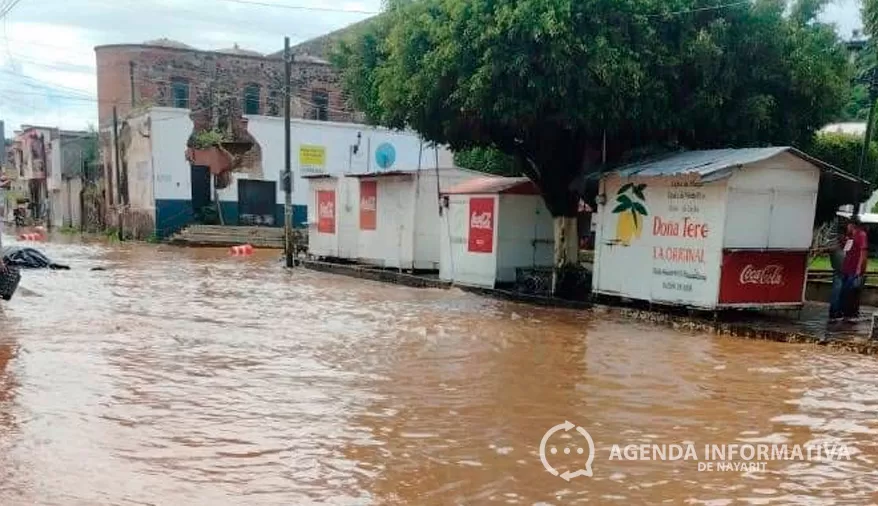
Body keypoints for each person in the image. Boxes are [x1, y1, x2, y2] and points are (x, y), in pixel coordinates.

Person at [841, 219, 869, 323]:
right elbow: (846, 250)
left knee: (852, 290)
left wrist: (859, 268)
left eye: (848, 225)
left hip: (854, 267)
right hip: (847, 267)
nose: (847, 227)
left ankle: (851, 312)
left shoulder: (861, 235)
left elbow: (862, 252)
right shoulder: (850, 236)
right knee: (846, 290)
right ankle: (846, 312)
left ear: (852, 225)